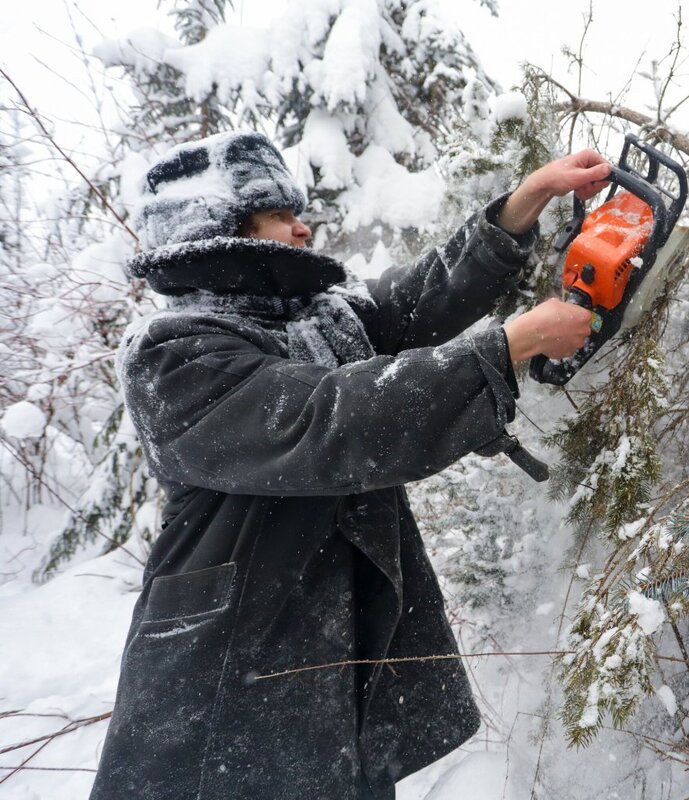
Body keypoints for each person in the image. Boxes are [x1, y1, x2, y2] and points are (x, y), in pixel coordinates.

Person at [89, 131, 607, 800]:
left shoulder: (312, 321)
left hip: (330, 643)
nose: (304, 226)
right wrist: (512, 343)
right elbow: (334, 422)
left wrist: (521, 205)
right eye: (280, 213)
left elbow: (412, 301)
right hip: (229, 666)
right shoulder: (172, 352)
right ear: (224, 228)